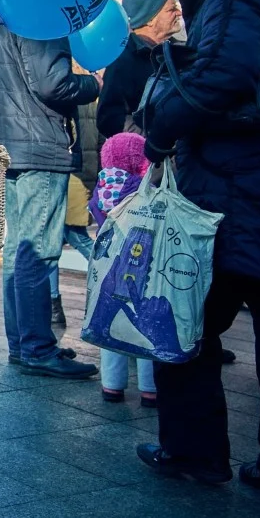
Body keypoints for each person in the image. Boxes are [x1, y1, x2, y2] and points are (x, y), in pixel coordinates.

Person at [135, 0, 260, 488]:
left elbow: (220, 73)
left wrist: (162, 130)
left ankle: (193, 453)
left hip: (231, 189)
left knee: (184, 321)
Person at [0, 10, 100, 379]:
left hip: (12, 145)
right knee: (37, 251)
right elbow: (53, 85)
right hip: (41, 147)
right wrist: (93, 84)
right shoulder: (38, 17)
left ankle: (23, 344)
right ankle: (36, 348)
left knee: (19, 250)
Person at [86, 132, 156, 407]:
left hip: (109, 270)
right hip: (142, 267)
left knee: (110, 325)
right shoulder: (141, 187)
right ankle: (150, 389)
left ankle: (112, 386)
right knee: (145, 324)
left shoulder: (102, 189)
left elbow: (95, 211)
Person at [95, 0, 183, 139]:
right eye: (171, 9)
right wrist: (153, 138)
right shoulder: (123, 58)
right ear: (149, 19)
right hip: (150, 157)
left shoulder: (182, 52)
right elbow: (109, 118)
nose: (179, 13)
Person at [50, 175, 94, 327]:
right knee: (49, 251)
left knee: (77, 238)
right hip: (67, 184)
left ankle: (114, 271)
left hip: (70, 185)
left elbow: (89, 163)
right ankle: (53, 306)